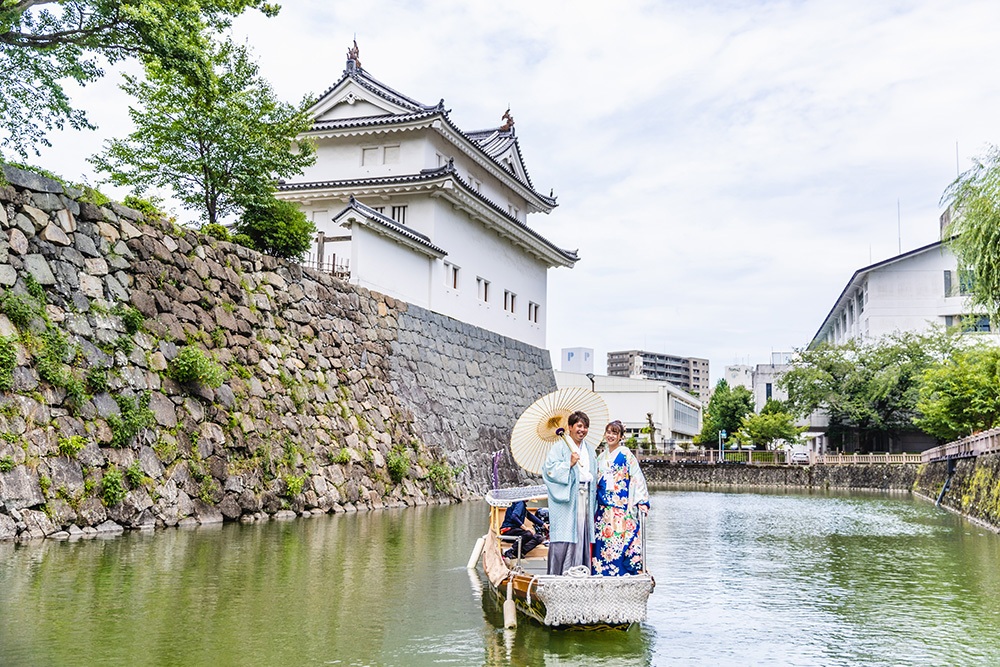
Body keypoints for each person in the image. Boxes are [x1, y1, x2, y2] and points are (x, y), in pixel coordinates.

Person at [542, 410, 598, 575]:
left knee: (582, 532)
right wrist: (569, 463)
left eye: (585, 427)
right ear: (570, 427)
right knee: (565, 533)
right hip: (567, 497)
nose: (582, 430)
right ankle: (559, 573)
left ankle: (581, 571)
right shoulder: (559, 447)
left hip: (585, 495)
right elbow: (548, 471)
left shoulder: (590, 450)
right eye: (579, 426)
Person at [592, 420, 650, 576]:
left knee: (618, 544)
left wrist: (642, 501)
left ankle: (621, 574)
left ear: (621, 437)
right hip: (603, 509)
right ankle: (602, 575)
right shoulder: (600, 457)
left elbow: (637, 477)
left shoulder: (626, 454)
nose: (610, 436)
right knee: (603, 544)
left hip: (620, 507)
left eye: (615, 433)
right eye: (608, 432)